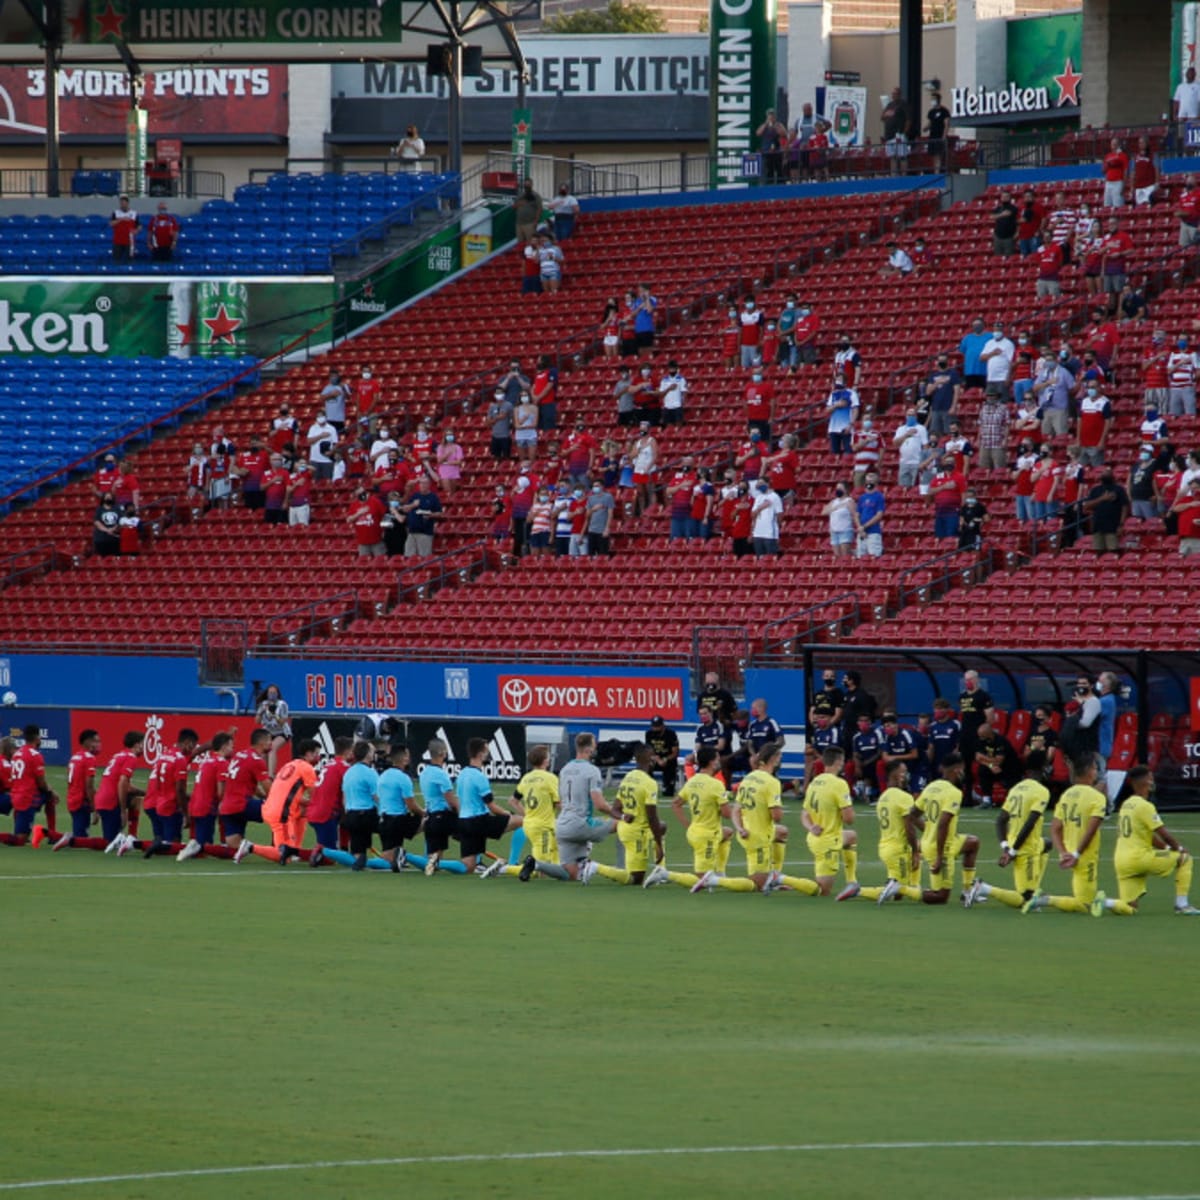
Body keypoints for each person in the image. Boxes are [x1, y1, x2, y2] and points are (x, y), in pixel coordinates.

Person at [701, 742, 817, 895]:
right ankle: (715, 880)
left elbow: (736, 810)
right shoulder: (772, 782)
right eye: (779, 757)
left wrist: (740, 828)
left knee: (781, 832)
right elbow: (777, 817)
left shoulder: (749, 778)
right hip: (759, 838)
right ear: (774, 759)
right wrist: (775, 806)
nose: (780, 761)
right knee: (757, 886)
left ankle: (774, 872)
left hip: (746, 833)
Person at [1093, 765, 1198, 917]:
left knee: (1130, 908)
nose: (1152, 781)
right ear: (1146, 782)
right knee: (1185, 859)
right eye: (1151, 778)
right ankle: (1182, 905)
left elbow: (1148, 837)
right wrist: (1179, 849)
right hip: (1139, 858)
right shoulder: (1145, 806)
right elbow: (1164, 834)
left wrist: (1166, 849)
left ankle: (1105, 902)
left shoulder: (1125, 805)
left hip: (1122, 861)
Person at [963, 751, 1052, 910]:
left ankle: (1033, 887)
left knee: (1047, 844)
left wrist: (1006, 847)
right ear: (1043, 767)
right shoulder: (1041, 791)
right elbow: (1029, 823)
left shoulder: (1017, 788)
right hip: (1025, 848)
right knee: (1027, 901)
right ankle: (984, 889)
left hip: (1014, 843)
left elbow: (1001, 820)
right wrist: (1013, 852)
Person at [524, 733, 617, 883]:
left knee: (570, 875)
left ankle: (536, 864)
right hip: (581, 824)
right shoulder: (592, 770)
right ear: (589, 749)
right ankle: (626, 869)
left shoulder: (564, 769)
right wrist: (620, 813)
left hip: (562, 827)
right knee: (624, 824)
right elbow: (600, 805)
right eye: (594, 745)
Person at [1022, 754, 1108, 914]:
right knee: (1086, 905)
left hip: (1068, 852)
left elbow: (1055, 828)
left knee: (1085, 901)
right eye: (1095, 768)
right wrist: (1076, 854)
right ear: (1089, 771)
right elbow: (1091, 830)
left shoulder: (1066, 795)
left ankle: (1043, 898)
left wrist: (1063, 852)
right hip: (1084, 855)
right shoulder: (1097, 797)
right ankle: (1044, 899)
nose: (1096, 772)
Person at [644, 745, 733, 890]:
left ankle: (720, 872)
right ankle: (665, 874)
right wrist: (736, 809)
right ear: (711, 762)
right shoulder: (716, 784)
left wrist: (687, 825)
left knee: (727, 832)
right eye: (717, 760)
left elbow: (676, 804)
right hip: (706, 836)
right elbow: (726, 814)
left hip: (695, 832)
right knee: (702, 881)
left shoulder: (692, 781)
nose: (719, 762)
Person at [837, 759, 922, 903]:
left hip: (885, 847)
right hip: (897, 851)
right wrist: (915, 851)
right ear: (895, 774)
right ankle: (857, 890)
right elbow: (909, 828)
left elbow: (913, 821)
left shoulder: (883, 797)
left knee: (897, 892)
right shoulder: (904, 797)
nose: (906, 774)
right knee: (900, 890)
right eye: (903, 771)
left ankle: (908, 884)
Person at [580, 745, 664, 887]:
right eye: (653, 756)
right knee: (636, 879)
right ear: (650, 760)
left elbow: (615, 809)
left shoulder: (628, 777)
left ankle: (661, 872)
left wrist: (624, 817)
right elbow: (652, 817)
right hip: (637, 833)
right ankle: (596, 867)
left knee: (663, 826)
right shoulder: (650, 783)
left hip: (625, 828)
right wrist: (658, 844)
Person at [913, 753, 979, 905]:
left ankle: (967, 891)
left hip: (944, 841)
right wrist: (940, 855)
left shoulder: (931, 787)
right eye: (962, 769)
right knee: (940, 897)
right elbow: (943, 824)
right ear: (957, 770)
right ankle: (902, 889)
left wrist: (928, 831)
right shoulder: (954, 793)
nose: (963, 772)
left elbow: (912, 815)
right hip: (940, 848)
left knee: (973, 843)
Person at [488, 744, 559, 879]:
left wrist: (528, 814)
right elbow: (558, 802)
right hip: (542, 826)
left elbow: (513, 800)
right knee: (538, 869)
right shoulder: (550, 778)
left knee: (550, 856)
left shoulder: (526, 778)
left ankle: (559, 873)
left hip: (530, 824)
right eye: (548, 757)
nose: (549, 760)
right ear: (545, 760)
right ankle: (503, 868)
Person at [455, 738, 523, 875]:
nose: (488, 755)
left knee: (468, 867)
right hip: (479, 821)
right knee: (524, 821)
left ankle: (433, 862)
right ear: (480, 754)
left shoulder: (461, 774)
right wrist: (507, 813)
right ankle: (512, 862)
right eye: (487, 752)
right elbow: (492, 807)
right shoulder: (480, 777)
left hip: (463, 822)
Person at [252, 739, 322, 867]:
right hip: (281, 813)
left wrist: (305, 804)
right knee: (284, 854)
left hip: (270, 807)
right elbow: (315, 796)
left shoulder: (290, 765)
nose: (318, 757)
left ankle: (295, 849)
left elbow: (287, 793)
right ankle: (251, 847)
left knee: (302, 814)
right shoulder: (307, 769)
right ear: (308, 754)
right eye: (316, 754)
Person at [801, 745, 857, 896]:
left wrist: (811, 827)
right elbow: (849, 819)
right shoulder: (839, 784)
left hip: (814, 836)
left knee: (851, 836)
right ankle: (783, 879)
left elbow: (804, 814)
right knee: (822, 890)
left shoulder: (815, 782)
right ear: (839, 761)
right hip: (827, 842)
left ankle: (852, 881)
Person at [178, 732, 233, 861]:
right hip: (207, 807)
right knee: (204, 848)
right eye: (231, 746)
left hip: (194, 805)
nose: (233, 749)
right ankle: (194, 847)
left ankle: (192, 846)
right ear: (224, 747)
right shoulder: (222, 763)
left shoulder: (206, 760)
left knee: (197, 847)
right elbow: (221, 792)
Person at [221, 727, 271, 862]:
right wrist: (275, 802)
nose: (271, 744)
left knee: (233, 842)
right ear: (262, 743)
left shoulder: (239, 755)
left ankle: (247, 846)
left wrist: (262, 797)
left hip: (227, 807)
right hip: (242, 804)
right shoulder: (256, 760)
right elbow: (268, 788)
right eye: (269, 741)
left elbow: (249, 784)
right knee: (281, 814)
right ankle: (280, 849)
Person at [6, 725, 59, 847]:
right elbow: (41, 783)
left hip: (16, 796)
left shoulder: (17, 753)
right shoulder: (35, 755)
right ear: (37, 737)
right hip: (28, 798)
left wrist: (49, 791)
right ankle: (46, 832)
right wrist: (51, 790)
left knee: (49, 796)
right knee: (20, 840)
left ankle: (51, 835)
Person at [95, 731, 144, 853]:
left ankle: (132, 837)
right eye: (142, 744)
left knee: (136, 800)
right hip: (110, 802)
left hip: (102, 798)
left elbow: (126, 786)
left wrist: (145, 793)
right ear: (137, 744)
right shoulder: (131, 758)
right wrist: (123, 811)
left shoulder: (119, 755)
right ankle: (72, 840)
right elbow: (122, 783)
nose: (143, 748)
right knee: (109, 843)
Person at [377, 744, 423, 871]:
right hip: (397, 821)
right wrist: (423, 813)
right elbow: (411, 806)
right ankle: (420, 857)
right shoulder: (403, 778)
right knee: (430, 821)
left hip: (383, 820)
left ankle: (363, 862)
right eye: (407, 755)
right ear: (404, 759)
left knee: (386, 858)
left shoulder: (383, 775)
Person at [419, 739, 458, 876]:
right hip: (442, 817)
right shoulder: (441, 775)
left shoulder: (424, 773)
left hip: (430, 817)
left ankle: (427, 862)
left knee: (434, 855)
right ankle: (477, 862)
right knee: (473, 831)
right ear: (443, 753)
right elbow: (451, 801)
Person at [1082, 468, 1129, 554]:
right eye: (1103, 473)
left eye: (1108, 473)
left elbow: (1125, 507)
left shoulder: (1119, 489)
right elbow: (1086, 507)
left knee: (1113, 551)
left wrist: (1121, 524)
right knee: (1098, 552)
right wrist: (1102, 499)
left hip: (1113, 526)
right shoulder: (1095, 490)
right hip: (1098, 525)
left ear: (1112, 476)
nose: (1105, 475)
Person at [254, 683, 291, 775]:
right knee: (263, 750)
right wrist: (261, 712)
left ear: (277, 694)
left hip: (281, 732)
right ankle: (263, 773)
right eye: (270, 693)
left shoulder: (282, 705)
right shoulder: (263, 704)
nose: (272, 695)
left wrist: (275, 715)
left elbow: (283, 722)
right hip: (268, 732)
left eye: (274, 693)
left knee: (272, 748)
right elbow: (257, 721)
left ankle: (271, 774)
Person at [402, 477, 444, 557]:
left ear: (429, 485)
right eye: (421, 483)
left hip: (425, 533)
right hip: (412, 532)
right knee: (409, 556)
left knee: (424, 557)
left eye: (425, 483)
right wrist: (413, 505)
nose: (422, 485)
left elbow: (440, 513)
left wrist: (430, 515)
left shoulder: (433, 497)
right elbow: (405, 509)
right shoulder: (415, 496)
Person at [644, 715, 679, 797]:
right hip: (655, 759)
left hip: (668, 760)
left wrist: (665, 759)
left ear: (663, 726)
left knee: (668, 793)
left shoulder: (671, 734)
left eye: (658, 726)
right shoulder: (649, 734)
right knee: (646, 764)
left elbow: (675, 752)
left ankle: (668, 786)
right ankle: (649, 787)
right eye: (654, 726)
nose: (656, 729)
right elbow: (648, 750)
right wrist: (656, 759)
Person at [825, 374, 858, 455]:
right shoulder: (833, 394)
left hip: (846, 427)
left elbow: (855, 409)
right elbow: (827, 410)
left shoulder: (851, 393)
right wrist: (836, 405)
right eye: (837, 379)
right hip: (833, 428)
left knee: (848, 452)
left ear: (845, 382)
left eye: (840, 379)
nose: (838, 381)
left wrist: (851, 425)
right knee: (834, 453)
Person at [854, 472, 885, 557]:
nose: (869, 480)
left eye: (872, 477)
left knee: (873, 556)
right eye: (868, 478)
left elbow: (879, 515)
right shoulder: (862, 497)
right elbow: (857, 514)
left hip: (873, 532)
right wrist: (860, 528)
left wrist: (864, 527)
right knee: (860, 557)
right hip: (861, 533)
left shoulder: (879, 496)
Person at [881, 86, 910, 174]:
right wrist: (886, 114)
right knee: (892, 156)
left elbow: (908, 120)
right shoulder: (889, 105)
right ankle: (894, 175)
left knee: (902, 156)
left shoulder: (903, 104)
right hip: (889, 135)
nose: (893, 96)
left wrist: (904, 133)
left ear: (899, 94)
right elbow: (882, 117)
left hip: (899, 134)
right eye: (892, 94)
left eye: (895, 94)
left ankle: (903, 175)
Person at [750, 478, 782, 557]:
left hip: (769, 534)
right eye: (759, 483)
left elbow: (780, 515)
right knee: (760, 558)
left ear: (767, 484)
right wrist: (761, 507)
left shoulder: (775, 497)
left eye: (762, 483)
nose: (760, 485)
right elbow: (752, 515)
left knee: (770, 558)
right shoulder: (758, 497)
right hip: (757, 533)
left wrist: (776, 530)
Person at [958, 317, 991, 389]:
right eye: (975, 325)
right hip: (970, 371)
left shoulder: (990, 336)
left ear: (983, 325)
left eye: (979, 324)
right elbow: (962, 350)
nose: (977, 326)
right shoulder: (967, 338)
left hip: (985, 371)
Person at [756, 109, 787, 184]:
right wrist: (766, 124)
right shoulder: (764, 125)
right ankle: (769, 186)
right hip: (767, 152)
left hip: (776, 151)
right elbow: (758, 133)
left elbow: (783, 133)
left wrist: (775, 126)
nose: (771, 117)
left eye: (772, 115)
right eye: (770, 116)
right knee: (769, 171)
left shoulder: (778, 124)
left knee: (779, 170)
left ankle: (781, 186)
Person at [513, 178, 543, 243]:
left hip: (530, 223)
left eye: (528, 184)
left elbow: (540, 209)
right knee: (520, 243)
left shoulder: (536, 196)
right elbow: (514, 206)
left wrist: (536, 222)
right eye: (525, 184)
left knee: (530, 242)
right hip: (519, 224)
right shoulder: (520, 195)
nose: (526, 186)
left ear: (532, 185)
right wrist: (519, 204)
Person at [109, 194, 139, 260]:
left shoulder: (134, 213)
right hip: (118, 241)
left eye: (124, 203)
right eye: (121, 203)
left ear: (127, 203)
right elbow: (111, 224)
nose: (123, 205)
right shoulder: (115, 213)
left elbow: (139, 225)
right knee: (116, 260)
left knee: (129, 260)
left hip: (129, 242)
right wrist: (121, 219)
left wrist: (136, 231)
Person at [1101, 138, 1129, 208]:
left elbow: (1126, 171)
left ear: (1118, 145)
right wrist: (1107, 165)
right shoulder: (1108, 156)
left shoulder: (1123, 156)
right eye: (1112, 144)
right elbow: (1103, 171)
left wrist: (1124, 185)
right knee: (1107, 204)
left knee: (1118, 204)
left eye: (1115, 144)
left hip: (1118, 182)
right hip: (1109, 182)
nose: (1113, 146)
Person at [991, 191, 1018, 256]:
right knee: (997, 256)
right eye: (1003, 197)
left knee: (1009, 256)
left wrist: (999, 215)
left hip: (1009, 237)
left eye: (1006, 196)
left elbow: (1008, 214)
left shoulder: (1013, 208)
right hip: (998, 236)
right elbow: (992, 216)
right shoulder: (998, 208)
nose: (1005, 198)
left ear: (1010, 198)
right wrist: (1001, 214)